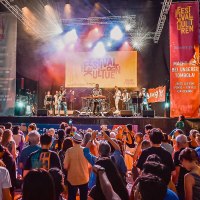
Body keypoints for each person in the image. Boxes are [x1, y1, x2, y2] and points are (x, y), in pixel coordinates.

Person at [63, 133, 89, 200]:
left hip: (72, 179)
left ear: (73, 141)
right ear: (81, 141)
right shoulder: (86, 150)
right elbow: (89, 165)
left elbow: (65, 166)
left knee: (71, 197)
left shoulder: (69, 151)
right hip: (84, 178)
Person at [173, 134, 189, 200]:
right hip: (192, 180)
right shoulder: (192, 152)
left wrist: (174, 183)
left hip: (181, 182)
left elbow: (177, 170)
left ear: (178, 143)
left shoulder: (178, 154)